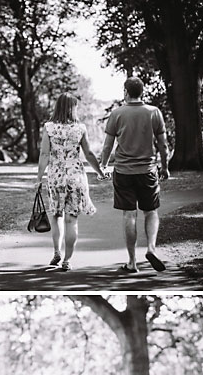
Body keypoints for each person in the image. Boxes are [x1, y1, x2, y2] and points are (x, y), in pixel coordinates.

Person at [99, 77, 170, 274]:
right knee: (151, 211)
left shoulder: (117, 113)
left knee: (129, 214)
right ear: (142, 92)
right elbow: (163, 145)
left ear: (125, 92)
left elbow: (107, 145)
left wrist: (104, 165)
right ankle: (151, 249)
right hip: (147, 171)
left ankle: (132, 263)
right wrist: (165, 167)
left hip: (123, 172)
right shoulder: (154, 112)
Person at [35, 92, 107, 272]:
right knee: (71, 220)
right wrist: (100, 172)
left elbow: (44, 154)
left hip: (56, 176)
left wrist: (38, 178)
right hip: (75, 176)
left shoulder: (49, 127)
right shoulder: (80, 128)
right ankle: (67, 260)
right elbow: (89, 154)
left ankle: (56, 252)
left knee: (56, 216)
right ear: (72, 108)